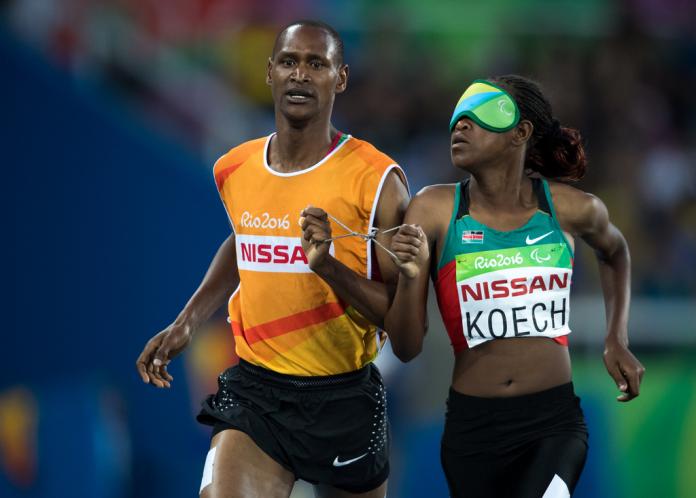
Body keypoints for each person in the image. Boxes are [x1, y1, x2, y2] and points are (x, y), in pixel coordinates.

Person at [135, 20, 409, 498]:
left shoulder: (378, 180)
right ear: (270, 72)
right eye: (289, 61)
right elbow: (243, 242)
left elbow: (398, 317)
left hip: (344, 394)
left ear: (340, 78)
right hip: (256, 392)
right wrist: (188, 320)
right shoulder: (234, 168)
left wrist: (327, 266)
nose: (300, 75)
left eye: (316, 64)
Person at [384, 75, 645, 498]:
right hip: (472, 430)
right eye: (456, 119)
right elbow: (406, 346)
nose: (460, 126)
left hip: (553, 424)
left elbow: (615, 252)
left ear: (520, 133)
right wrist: (411, 277)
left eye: (478, 116)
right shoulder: (432, 210)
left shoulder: (570, 209)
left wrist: (616, 339)